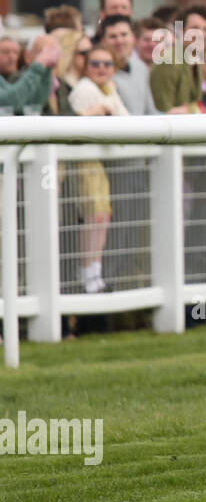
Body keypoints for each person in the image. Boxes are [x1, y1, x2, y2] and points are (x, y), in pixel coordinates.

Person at [68, 45, 129, 294]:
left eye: (107, 64)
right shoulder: (84, 89)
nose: (102, 69)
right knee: (94, 216)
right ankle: (88, 274)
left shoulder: (107, 89)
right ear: (86, 66)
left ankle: (95, 272)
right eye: (95, 64)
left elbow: (126, 121)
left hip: (97, 162)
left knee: (102, 215)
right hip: (83, 160)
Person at [100, 15, 158, 116]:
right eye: (112, 36)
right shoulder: (100, 73)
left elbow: (150, 111)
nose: (119, 41)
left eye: (124, 34)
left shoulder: (141, 68)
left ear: (133, 38)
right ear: (103, 41)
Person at [0, 37, 58, 111]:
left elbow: (32, 104)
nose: (12, 57)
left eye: (16, 52)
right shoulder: (22, 77)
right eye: (5, 52)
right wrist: (38, 66)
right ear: (27, 56)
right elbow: (7, 104)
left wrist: (47, 69)